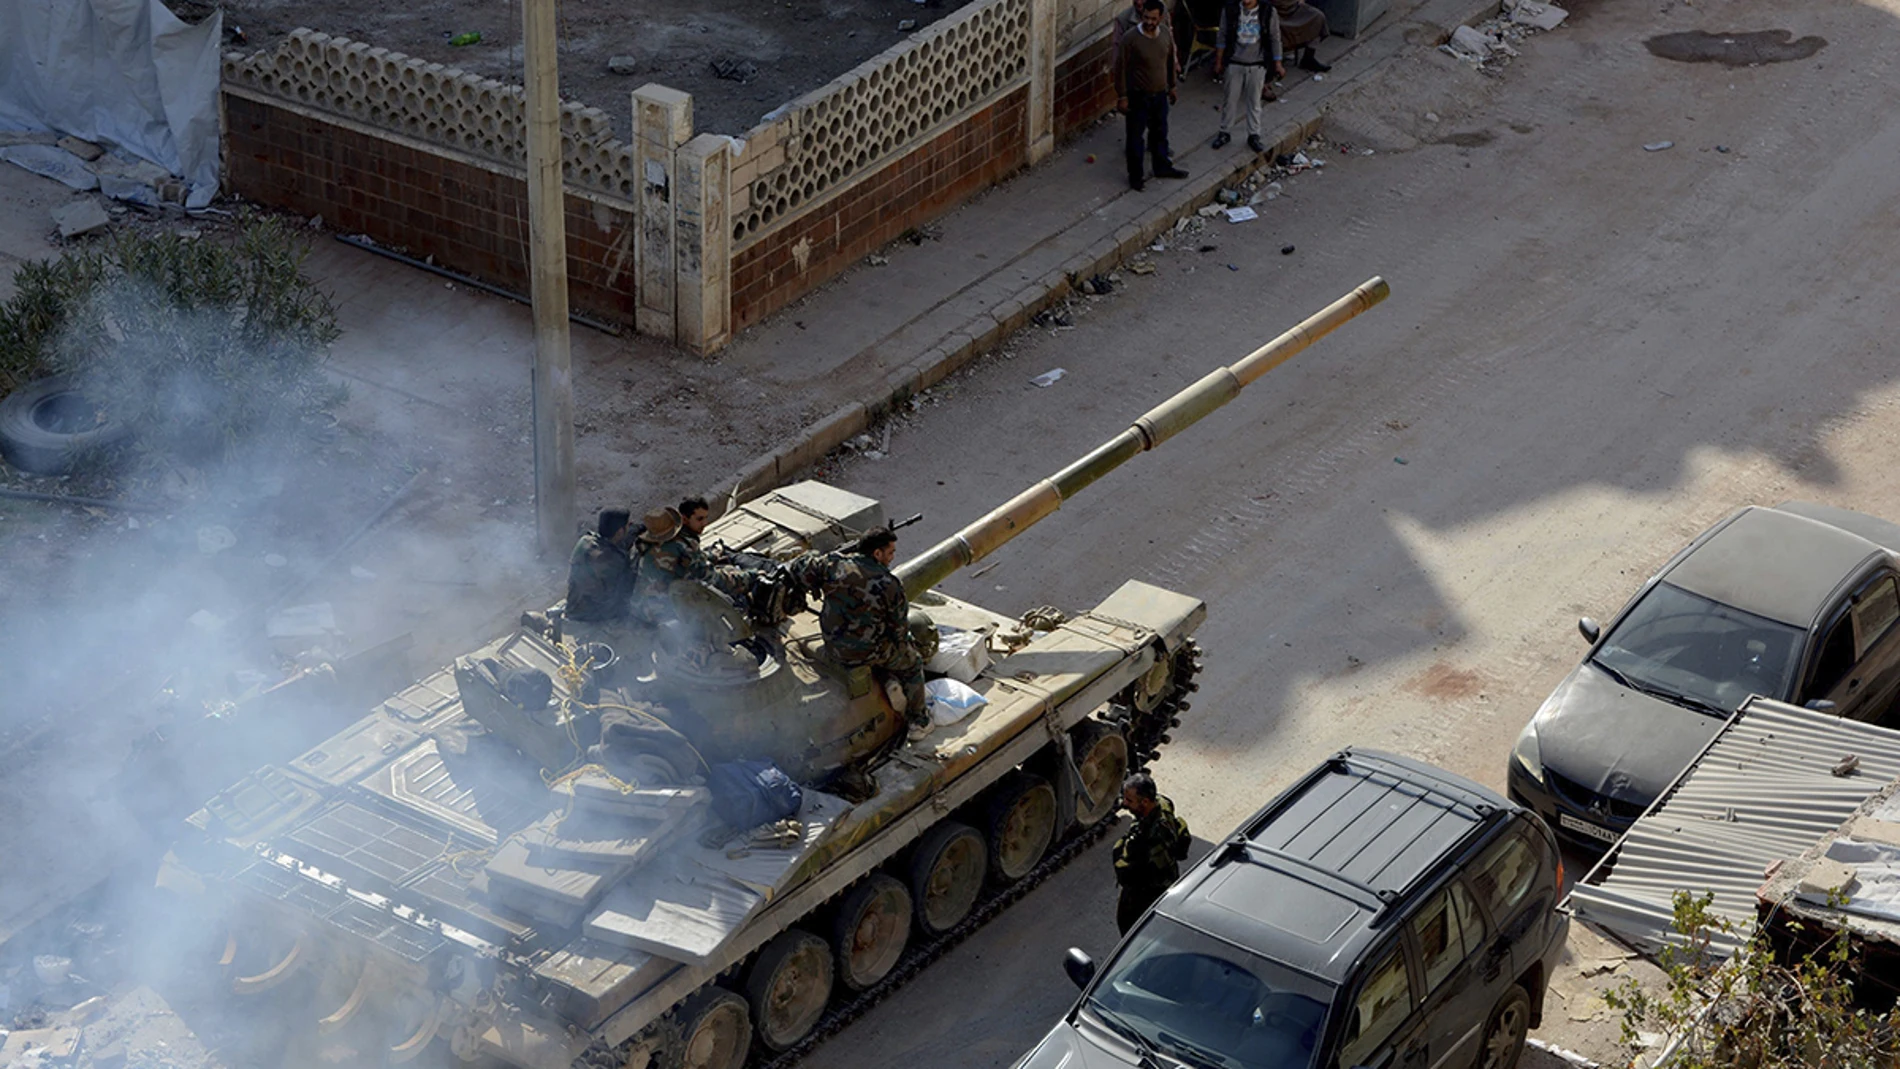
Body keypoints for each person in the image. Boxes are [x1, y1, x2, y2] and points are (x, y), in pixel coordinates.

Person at [789, 527, 930, 737]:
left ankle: (886, 680)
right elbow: (898, 630)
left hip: (834, 647)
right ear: (877, 554)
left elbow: (800, 566)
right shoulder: (890, 585)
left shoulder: (833, 565)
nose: (892, 557)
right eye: (890, 552)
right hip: (870, 653)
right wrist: (905, 646)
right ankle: (919, 722)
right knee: (912, 662)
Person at [1116, 0, 1188, 192]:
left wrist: (1172, 86)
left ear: (1160, 18)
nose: (1149, 22)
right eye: (1146, 17)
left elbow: (1170, 60)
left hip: (1160, 94)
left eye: (1153, 19)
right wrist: (1122, 96)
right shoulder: (1130, 39)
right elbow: (1121, 67)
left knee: (1160, 133)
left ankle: (1162, 166)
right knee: (1135, 138)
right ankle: (1136, 177)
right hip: (1138, 96)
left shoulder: (1164, 34)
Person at [1112, 772, 1191, 934]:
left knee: (1132, 929)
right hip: (1162, 880)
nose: (1124, 804)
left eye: (1129, 801)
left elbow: (1132, 870)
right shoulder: (1162, 803)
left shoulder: (1151, 837)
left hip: (1149, 892)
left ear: (1145, 802)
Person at [1211, 0, 1285, 152]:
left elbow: (1275, 38)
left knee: (1254, 102)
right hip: (1234, 62)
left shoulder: (1268, 11)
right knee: (1230, 100)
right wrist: (1219, 61)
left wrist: (1278, 63)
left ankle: (1254, 134)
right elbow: (1222, 36)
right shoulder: (1230, 9)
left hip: (1257, 64)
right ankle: (1225, 132)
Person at [565, 509, 636, 623]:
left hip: (574, 605)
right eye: (627, 526)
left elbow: (610, 546)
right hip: (593, 616)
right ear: (619, 532)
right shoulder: (616, 560)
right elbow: (629, 586)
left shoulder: (585, 541)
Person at [1271, 0, 1331, 72]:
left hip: (1294, 7)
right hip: (1275, 10)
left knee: (1318, 16)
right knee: (1273, 26)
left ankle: (1308, 58)